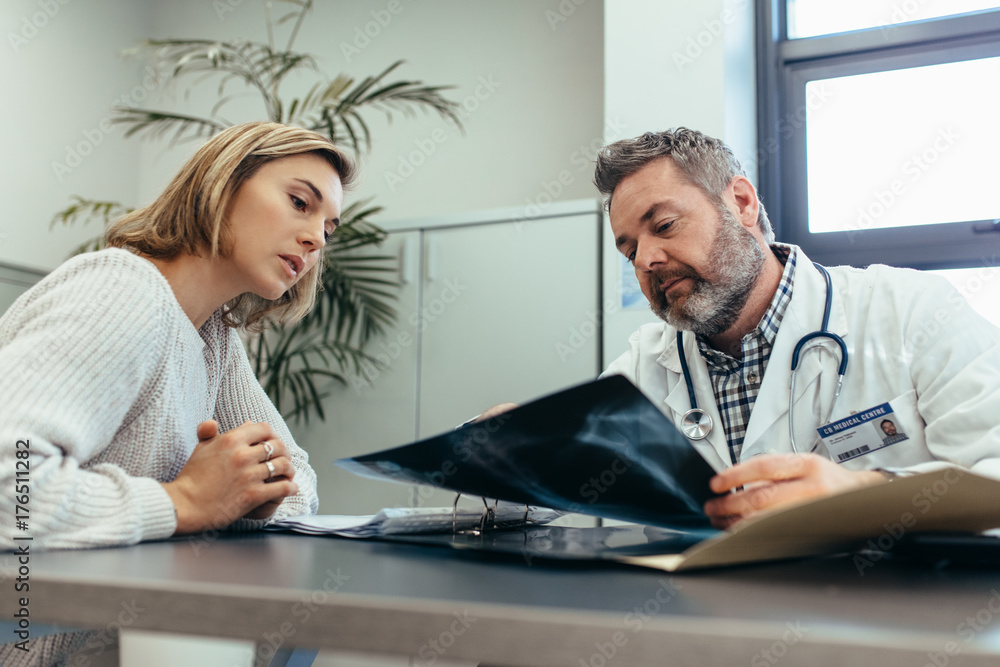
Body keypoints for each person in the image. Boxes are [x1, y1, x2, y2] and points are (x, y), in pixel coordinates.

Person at [595, 128, 1000, 529]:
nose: (645, 260)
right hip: (706, 593)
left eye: (664, 225)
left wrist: (864, 496)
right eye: (629, 251)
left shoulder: (913, 309)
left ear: (741, 203)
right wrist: (530, 445)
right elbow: (558, 480)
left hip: (894, 591)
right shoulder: (639, 369)